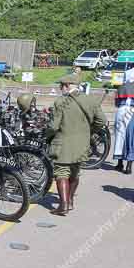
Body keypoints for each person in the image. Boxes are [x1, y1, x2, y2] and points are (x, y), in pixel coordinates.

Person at [46, 73, 107, 214]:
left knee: (61, 172)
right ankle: (70, 201)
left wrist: (46, 136)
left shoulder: (61, 102)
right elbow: (102, 121)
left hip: (63, 143)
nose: (60, 88)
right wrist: (89, 131)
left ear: (67, 86)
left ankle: (63, 205)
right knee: (75, 172)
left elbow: (53, 126)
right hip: (83, 143)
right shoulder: (90, 100)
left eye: (61, 86)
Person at [113, 69, 134, 174]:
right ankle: (129, 166)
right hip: (132, 112)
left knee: (119, 137)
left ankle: (119, 163)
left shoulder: (121, 87)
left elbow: (116, 103)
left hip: (121, 110)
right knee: (131, 138)